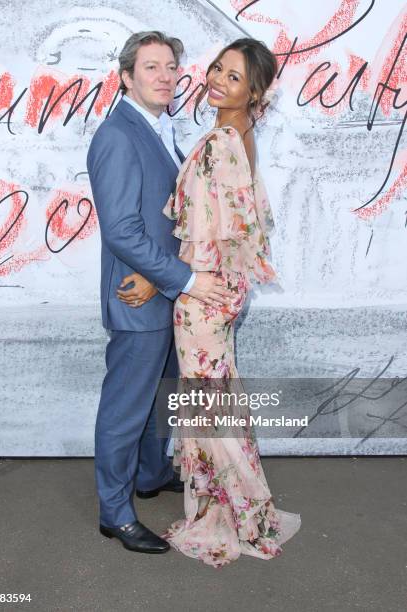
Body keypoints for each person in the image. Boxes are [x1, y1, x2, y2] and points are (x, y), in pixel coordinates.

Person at [86, 31, 232, 555]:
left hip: (162, 292)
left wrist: (171, 278)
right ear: (126, 76)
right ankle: (116, 513)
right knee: (126, 408)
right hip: (139, 299)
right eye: (151, 67)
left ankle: (149, 476)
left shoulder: (157, 126)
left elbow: (167, 218)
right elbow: (122, 230)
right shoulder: (117, 136)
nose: (165, 76)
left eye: (171, 66)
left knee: (158, 402)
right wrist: (187, 280)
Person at [160, 38, 302, 567]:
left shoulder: (222, 141)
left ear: (255, 91)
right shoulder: (239, 136)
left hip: (203, 295)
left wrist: (183, 281)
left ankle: (242, 512)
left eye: (234, 76)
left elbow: (211, 232)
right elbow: (240, 230)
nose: (218, 78)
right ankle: (235, 507)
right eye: (218, 67)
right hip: (217, 291)